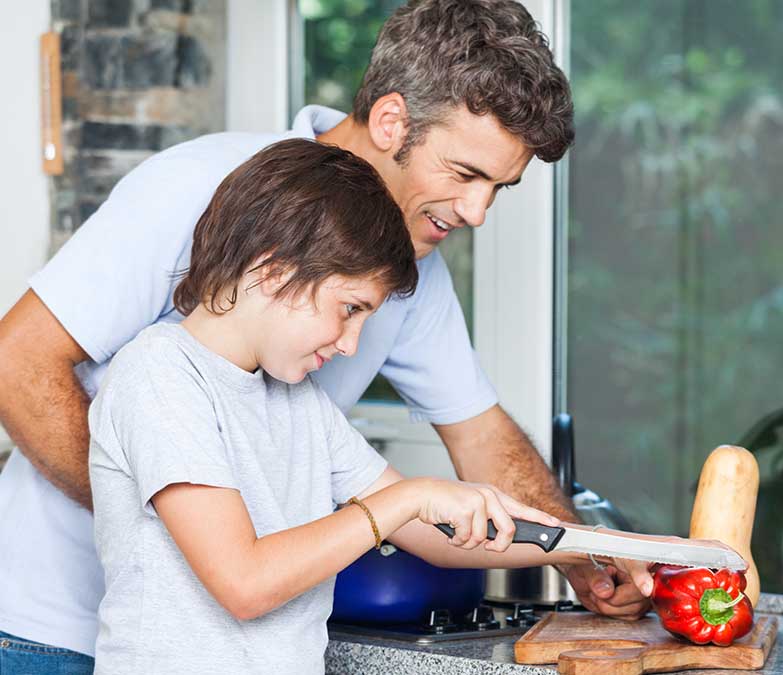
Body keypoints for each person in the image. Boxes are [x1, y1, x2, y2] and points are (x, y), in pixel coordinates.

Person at [0, 0, 645, 668]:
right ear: (393, 120)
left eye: (500, 189)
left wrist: (585, 550)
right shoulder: (202, 192)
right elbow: (15, 362)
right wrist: (190, 527)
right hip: (52, 626)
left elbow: (478, 439)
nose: (478, 212)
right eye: (466, 174)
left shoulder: (386, 294)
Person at [87, 137, 663, 674]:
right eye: (350, 308)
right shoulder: (160, 375)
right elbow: (245, 582)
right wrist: (408, 497)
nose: (350, 344)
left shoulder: (297, 401)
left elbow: (435, 537)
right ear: (272, 272)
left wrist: (600, 547)